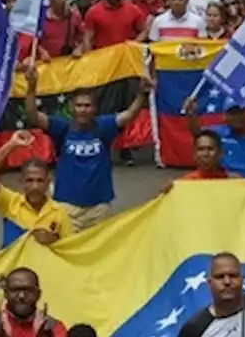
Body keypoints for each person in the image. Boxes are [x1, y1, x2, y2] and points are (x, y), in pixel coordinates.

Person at [22, 64, 150, 230]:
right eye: (79, 105)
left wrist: (141, 94)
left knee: (100, 252)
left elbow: (130, 114)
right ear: (71, 108)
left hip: (99, 207)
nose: (83, 110)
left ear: (95, 109)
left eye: (87, 105)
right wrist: (31, 87)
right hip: (67, 207)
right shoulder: (62, 128)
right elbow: (32, 115)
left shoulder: (104, 126)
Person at [0, 131, 73, 247]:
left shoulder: (59, 213)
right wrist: (12, 144)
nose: (35, 187)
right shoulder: (10, 203)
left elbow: (69, 249)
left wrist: (55, 241)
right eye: (29, 180)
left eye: (40, 181)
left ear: (48, 183)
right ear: (21, 182)